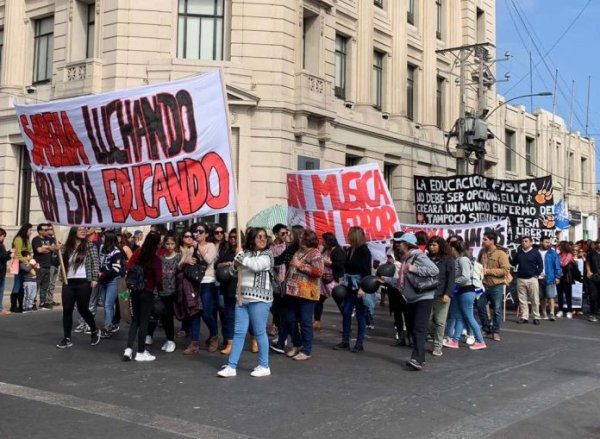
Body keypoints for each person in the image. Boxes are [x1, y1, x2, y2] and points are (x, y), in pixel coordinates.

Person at [218, 227, 274, 377]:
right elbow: (230, 273)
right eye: (259, 237)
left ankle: (264, 365)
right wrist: (235, 264)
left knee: (259, 331)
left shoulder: (268, 255)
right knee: (238, 332)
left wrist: (241, 257)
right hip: (242, 298)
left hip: (260, 299)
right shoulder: (245, 254)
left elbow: (256, 266)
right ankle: (231, 366)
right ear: (252, 239)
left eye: (264, 237)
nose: (262, 239)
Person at [382, 232, 439, 370]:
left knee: (419, 328)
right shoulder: (405, 259)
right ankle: (421, 357)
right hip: (411, 298)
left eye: (399, 243)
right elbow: (403, 281)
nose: (397, 245)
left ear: (407, 244)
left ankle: (417, 359)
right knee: (413, 328)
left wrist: (413, 268)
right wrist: (386, 280)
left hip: (423, 297)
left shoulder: (418, 256)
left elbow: (434, 269)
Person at [57, 227, 101, 349]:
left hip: (84, 281)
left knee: (83, 309)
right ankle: (67, 338)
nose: (83, 231)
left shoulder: (89, 245)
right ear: (73, 232)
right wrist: (56, 251)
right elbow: (59, 261)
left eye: (85, 229)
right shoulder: (66, 247)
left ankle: (94, 330)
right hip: (68, 282)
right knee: (67, 310)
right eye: (80, 229)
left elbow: (95, 262)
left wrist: (94, 278)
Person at [284, 229, 323, 360]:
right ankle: (296, 343)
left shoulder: (315, 253)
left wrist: (300, 265)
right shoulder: (298, 251)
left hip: (306, 293)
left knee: (305, 321)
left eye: (301, 237)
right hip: (292, 291)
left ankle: (306, 350)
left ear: (307, 239)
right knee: (290, 319)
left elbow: (318, 272)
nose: (299, 239)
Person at [123, 231, 163, 361]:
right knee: (144, 321)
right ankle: (140, 351)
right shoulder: (155, 259)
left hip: (135, 290)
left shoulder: (138, 252)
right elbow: (158, 278)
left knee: (135, 320)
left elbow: (129, 266)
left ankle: (128, 349)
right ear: (157, 244)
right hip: (147, 291)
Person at [444, 241, 487, 351]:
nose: (449, 250)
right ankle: (455, 340)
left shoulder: (463, 260)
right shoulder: (459, 260)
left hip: (467, 291)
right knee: (460, 317)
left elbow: (465, 277)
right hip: (461, 291)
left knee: (469, 317)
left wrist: (452, 282)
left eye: (450, 248)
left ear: (454, 249)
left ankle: (480, 341)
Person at [334, 226, 371, 353]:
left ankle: (359, 343)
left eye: (349, 235)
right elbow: (347, 267)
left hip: (359, 285)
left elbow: (367, 272)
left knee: (360, 314)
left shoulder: (364, 251)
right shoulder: (350, 250)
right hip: (349, 285)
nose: (347, 237)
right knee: (346, 312)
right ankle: (345, 341)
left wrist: (363, 288)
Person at [147, 232, 180, 353]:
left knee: (168, 316)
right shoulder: (160, 258)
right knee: (155, 313)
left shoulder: (179, 257)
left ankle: (170, 339)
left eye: (172, 243)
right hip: (160, 290)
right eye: (167, 244)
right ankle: (149, 334)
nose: (170, 246)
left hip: (173, 292)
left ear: (175, 244)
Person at [478, 230, 511, 340]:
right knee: (480, 306)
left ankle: (496, 331)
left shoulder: (501, 254)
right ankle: (486, 328)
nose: (483, 241)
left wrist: (488, 271)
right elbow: (479, 266)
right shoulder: (482, 252)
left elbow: (505, 270)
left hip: (496, 285)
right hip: (483, 285)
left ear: (492, 241)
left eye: (485, 239)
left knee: (496, 309)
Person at [427, 236, 455, 357]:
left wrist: (448, 294)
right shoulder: (427, 259)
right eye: (430, 245)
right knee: (428, 320)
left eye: (434, 245)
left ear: (440, 246)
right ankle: (435, 337)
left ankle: (438, 346)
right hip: (427, 294)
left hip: (441, 294)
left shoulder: (448, 260)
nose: (432, 247)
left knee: (440, 321)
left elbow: (451, 279)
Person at [314, 232, 346, 329]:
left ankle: (346, 322)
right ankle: (317, 321)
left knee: (340, 302)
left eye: (324, 240)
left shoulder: (337, 251)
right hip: (323, 280)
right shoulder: (324, 250)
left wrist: (330, 263)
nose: (322, 242)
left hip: (333, 281)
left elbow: (341, 265)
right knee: (319, 301)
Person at [215, 228, 240, 355]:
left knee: (248, 317)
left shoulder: (245, 252)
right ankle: (230, 343)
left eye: (235, 237)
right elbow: (217, 264)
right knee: (229, 316)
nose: (233, 239)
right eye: (231, 237)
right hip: (228, 288)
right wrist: (228, 263)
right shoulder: (226, 251)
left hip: (242, 289)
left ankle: (254, 339)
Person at [511, 236, 543, 324]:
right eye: (523, 241)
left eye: (526, 241)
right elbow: (513, 263)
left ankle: (536, 317)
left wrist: (536, 275)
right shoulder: (519, 253)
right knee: (522, 299)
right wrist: (508, 257)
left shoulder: (536, 253)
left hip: (532, 279)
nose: (524, 243)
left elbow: (540, 266)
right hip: (520, 279)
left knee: (535, 299)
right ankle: (524, 317)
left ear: (531, 243)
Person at [98, 230, 124, 337]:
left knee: (108, 305)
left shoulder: (116, 252)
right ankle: (111, 324)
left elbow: (116, 269)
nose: (101, 238)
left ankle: (107, 328)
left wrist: (103, 274)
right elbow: (99, 262)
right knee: (106, 305)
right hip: (102, 280)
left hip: (113, 281)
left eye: (103, 237)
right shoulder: (101, 248)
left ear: (108, 238)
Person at [31, 223, 58, 310]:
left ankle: (43, 302)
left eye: (48, 230)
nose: (47, 231)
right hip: (39, 265)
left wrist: (46, 247)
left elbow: (55, 248)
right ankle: (32, 302)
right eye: (45, 230)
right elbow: (39, 250)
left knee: (45, 285)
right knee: (37, 284)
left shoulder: (49, 239)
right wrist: (49, 248)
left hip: (48, 265)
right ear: (40, 231)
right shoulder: (36, 239)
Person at [269, 223, 289, 337]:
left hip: (285, 278)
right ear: (276, 234)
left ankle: (279, 327)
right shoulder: (270, 247)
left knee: (281, 305)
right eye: (283, 233)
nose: (285, 235)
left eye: (287, 232)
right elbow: (271, 263)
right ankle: (276, 324)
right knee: (273, 304)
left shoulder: (288, 246)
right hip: (273, 278)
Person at [10, 223, 33, 313]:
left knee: (22, 286)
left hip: (25, 263)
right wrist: (26, 260)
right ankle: (13, 306)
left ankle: (20, 305)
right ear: (26, 230)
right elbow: (17, 253)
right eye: (30, 230)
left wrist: (29, 258)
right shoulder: (18, 239)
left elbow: (29, 250)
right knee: (17, 284)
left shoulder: (27, 240)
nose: (31, 232)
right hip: (19, 264)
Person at [537, 236, 561, 321]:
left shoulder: (552, 253)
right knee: (542, 297)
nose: (548, 244)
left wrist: (557, 276)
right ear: (541, 242)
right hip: (539, 278)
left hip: (550, 277)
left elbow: (557, 265)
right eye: (546, 242)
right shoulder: (536, 252)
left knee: (551, 296)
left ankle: (552, 313)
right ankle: (544, 313)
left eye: (549, 242)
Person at [556, 241, 576, 319]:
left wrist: (557, 261)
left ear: (563, 246)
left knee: (568, 295)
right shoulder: (558, 255)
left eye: (560, 246)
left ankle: (569, 311)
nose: (558, 247)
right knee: (559, 294)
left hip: (567, 277)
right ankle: (560, 310)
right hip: (559, 277)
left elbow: (564, 263)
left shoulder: (569, 255)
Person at [0, 228, 14, 315]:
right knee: (0, 290)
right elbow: (3, 257)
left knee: (1, 290)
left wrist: (9, 252)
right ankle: (0, 309)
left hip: (2, 271)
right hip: (0, 271)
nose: (3, 238)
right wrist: (10, 254)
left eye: (3, 236)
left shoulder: (2, 245)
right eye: (2, 236)